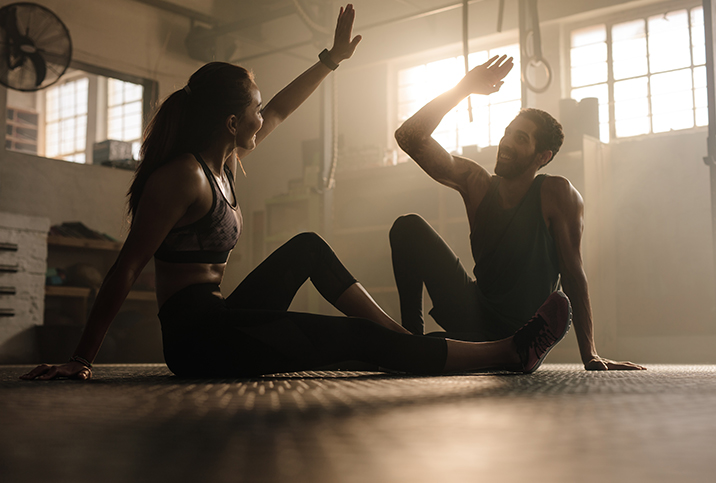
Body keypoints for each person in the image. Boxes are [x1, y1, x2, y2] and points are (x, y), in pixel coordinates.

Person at [21, 6, 570, 381]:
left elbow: (282, 105)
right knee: (344, 343)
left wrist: (330, 60)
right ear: (233, 122)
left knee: (308, 246)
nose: (266, 114)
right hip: (197, 342)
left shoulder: (223, 160)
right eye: (254, 108)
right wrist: (80, 358)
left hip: (219, 319)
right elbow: (126, 266)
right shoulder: (184, 176)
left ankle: (401, 340)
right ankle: (503, 353)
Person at [392, 54, 644, 371]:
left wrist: (589, 354)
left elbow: (573, 274)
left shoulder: (555, 193)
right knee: (408, 228)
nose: (506, 143)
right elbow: (408, 137)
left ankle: (439, 350)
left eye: (520, 138)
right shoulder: (478, 184)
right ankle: (408, 341)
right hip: (474, 313)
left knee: (434, 349)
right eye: (508, 133)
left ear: (542, 156)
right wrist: (464, 87)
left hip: (520, 333)